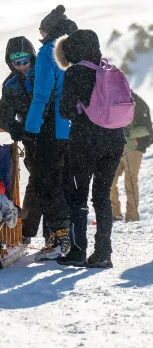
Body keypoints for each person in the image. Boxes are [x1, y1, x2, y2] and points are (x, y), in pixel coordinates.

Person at [54, 29, 126, 268]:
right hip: (115, 140)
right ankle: (104, 253)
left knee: (78, 196)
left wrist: (78, 109)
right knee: (102, 196)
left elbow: (65, 110)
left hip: (86, 140)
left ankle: (78, 251)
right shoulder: (109, 69)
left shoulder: (75, 72)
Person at [24, 4, 77, 261]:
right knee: (67, 183)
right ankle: (74, 240)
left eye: (43, 30)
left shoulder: (48, 53)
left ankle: (59, 238)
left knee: (46, 180)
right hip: (77, 129)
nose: (41, 35)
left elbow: (42, 94)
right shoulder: (78, 50)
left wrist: (30, 128)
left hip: (53, 128)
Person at [0, 36, 47, 245]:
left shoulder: (44, 73)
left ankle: (57, 233)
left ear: (32, 57)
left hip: (53, 134)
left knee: (56, 184)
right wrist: (14, 127)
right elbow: (3, 112)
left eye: (24, 60)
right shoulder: (10, 85)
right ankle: (26, 231)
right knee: (37, 182)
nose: (21, 66)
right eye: (15, 62)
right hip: (31, 138)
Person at [110, 91, 152, 222]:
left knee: (130, 183)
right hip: (117, 150)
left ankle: (132, 216)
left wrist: (128, 133)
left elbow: (148, 130)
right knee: (109, 182)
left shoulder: (138, 103)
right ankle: (115, 214)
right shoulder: (111, 101)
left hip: (134, 150)